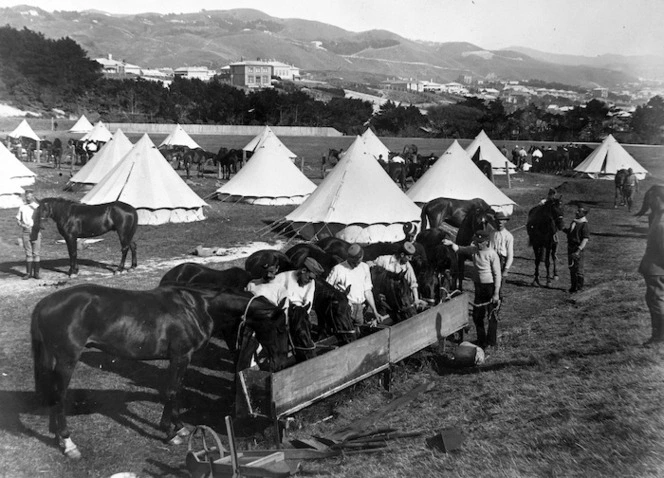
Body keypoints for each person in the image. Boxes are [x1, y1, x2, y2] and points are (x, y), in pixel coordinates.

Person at [443, 230, 501, 348]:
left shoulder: (492, 254)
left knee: (492, 315)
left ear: (486, 242)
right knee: (477, 315)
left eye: (481, 242)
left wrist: (496, 293)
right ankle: (481, 340)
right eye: (477, 242)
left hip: (490, 287)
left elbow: (497, 275)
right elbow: (459, 249)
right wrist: (449, 243)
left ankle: (491, 342)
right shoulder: (473, 250)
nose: (478, 244)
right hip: (479, 287)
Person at [327, 244, 388, 330]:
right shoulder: (338, 269)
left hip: (360, 308)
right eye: (353, 262)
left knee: (358, 331)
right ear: (349, 258)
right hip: (345, 310)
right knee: (345, 333)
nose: (356, 264)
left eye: (358, 262)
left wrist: (375, 312)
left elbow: (367, 291)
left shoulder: (364, 267)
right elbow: (327, 290)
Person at [369, 242, 427, 310]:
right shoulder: (384, 260)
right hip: (384, 299)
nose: (410, 259)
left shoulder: (407, 266)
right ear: (402, 255)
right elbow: (370, 267)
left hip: (398, 299)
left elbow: (413, 283)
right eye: (409, 257)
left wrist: (416, 299)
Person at [639, 191, 664, 346]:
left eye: (650, 198)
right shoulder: (656, 217)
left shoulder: (661, 222)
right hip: (656, 268)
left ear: (657, 198)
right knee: (654, 300)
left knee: (656, 301)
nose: (648, 202)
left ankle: (659, 338)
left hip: (657, 269)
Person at [563, 206, 590, 293]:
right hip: (570, 247)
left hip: (577, 248)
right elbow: (570, 232)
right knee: (571, 267)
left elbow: (585, 239)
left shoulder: (584, 224)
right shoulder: (574, 221)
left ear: (584, 214)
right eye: (577, 210)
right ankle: (573, 287)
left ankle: (579, 288)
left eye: (579, 211)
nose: (576, 212)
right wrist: (562, 228)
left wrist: (578, 251)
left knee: (579, 268)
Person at [16, 190, 42, 280]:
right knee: (28, 253)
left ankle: (37, 273)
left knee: (36, 253)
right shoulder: (22, 207)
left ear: (33, 196)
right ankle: (28, 273)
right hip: (26, 231)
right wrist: (22, 225)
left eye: (30, 196)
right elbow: (18, 220)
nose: (28, 198)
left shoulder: (37, 207)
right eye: (26, 197)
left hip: (35, 231)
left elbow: (42, 219)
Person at [490, 211, 514, 299]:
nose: (500, 222)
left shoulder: (508, 236)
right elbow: (489, 248)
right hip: (492, 260)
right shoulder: (492, 233)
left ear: (505, 222)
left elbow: (510, 255)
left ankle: (497, 308)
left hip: (502, 261)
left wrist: (506, 269)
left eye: (502, 220)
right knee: (491, 286)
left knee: (499, 287)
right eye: (498, 220)